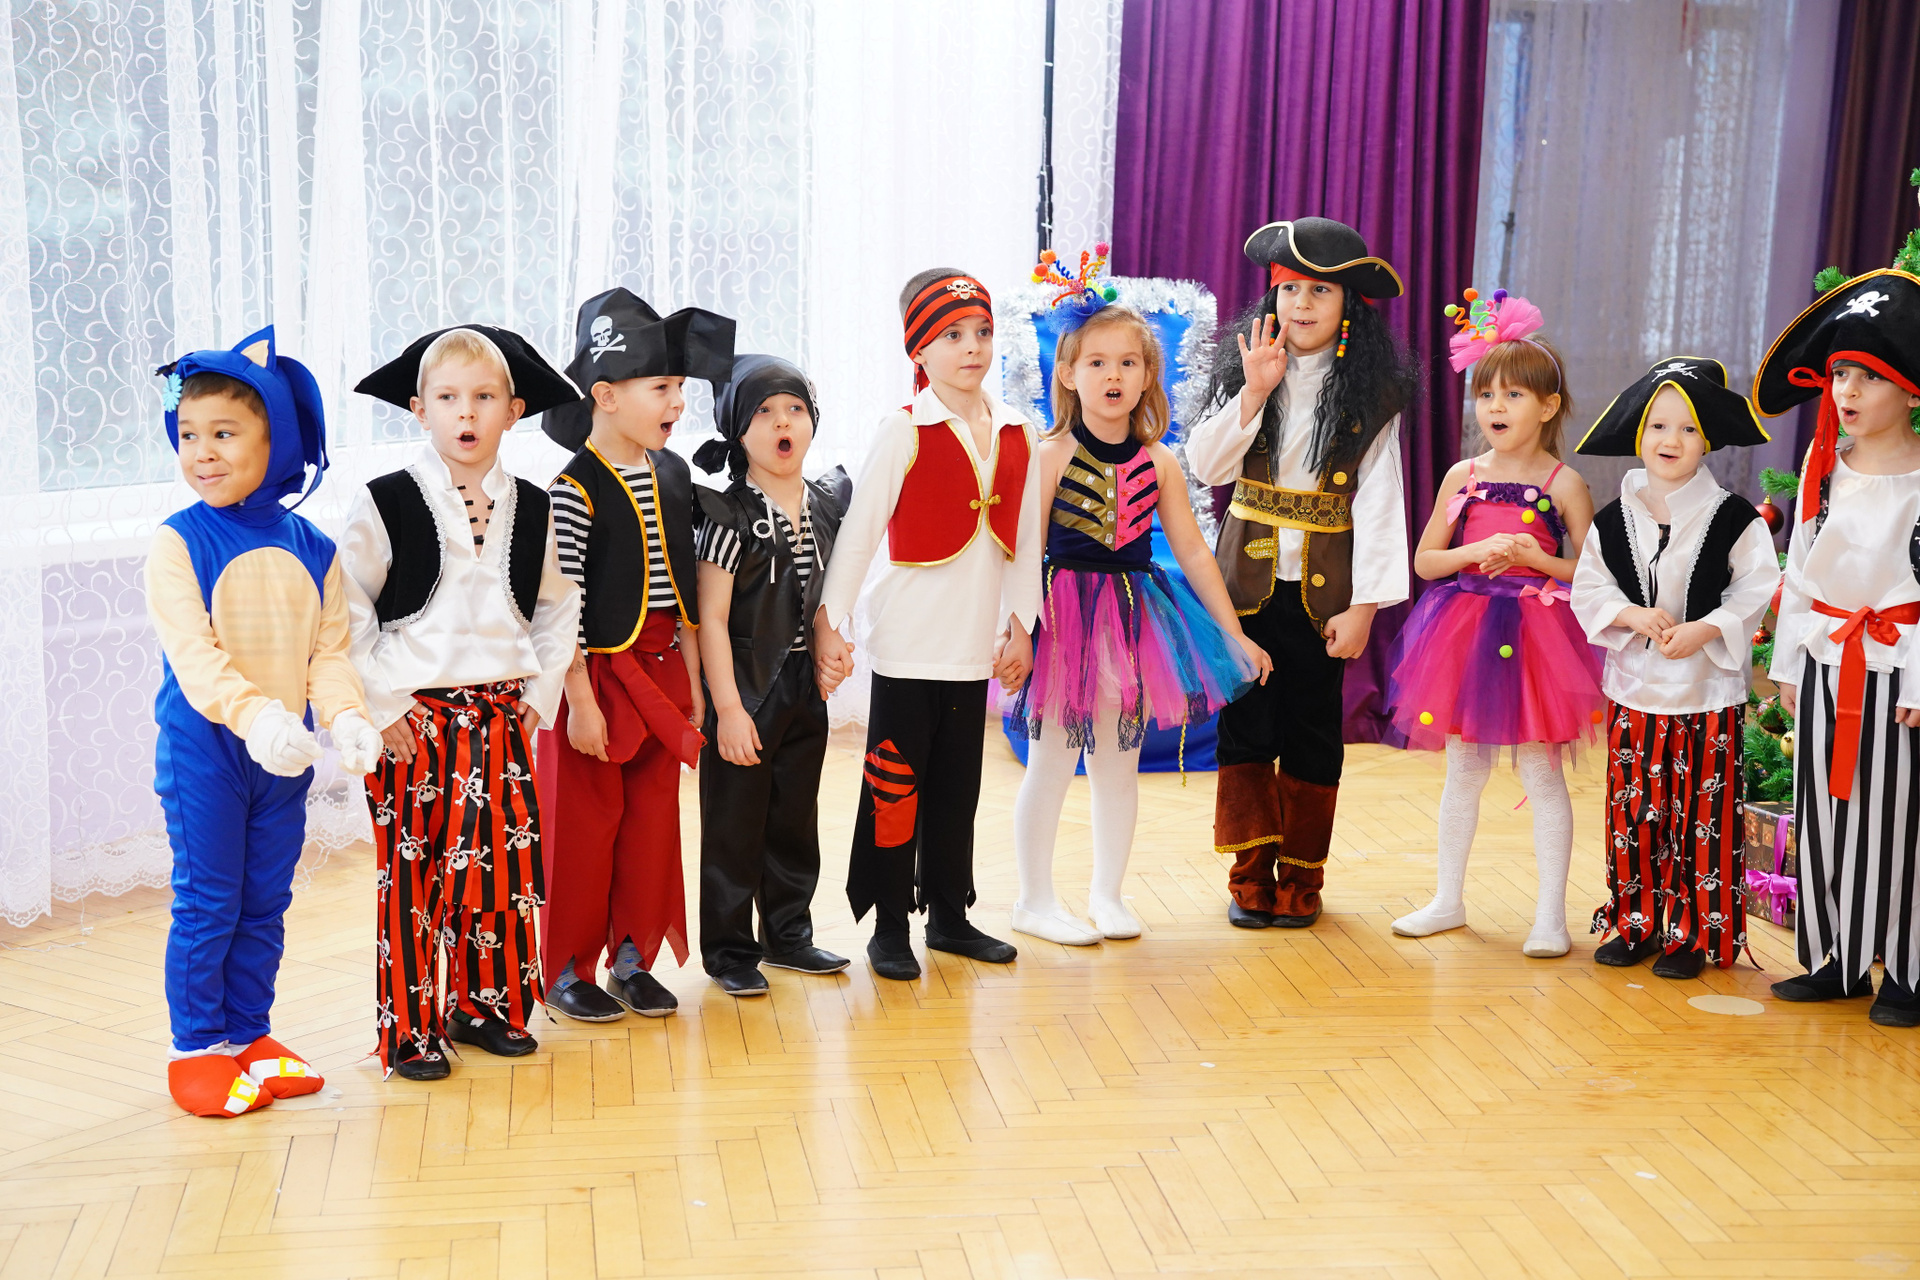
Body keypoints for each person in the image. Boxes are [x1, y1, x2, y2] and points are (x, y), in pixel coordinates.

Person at [146, 327, 384, 1117]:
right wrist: (256, 719)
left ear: (274, 440)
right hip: (209, 750)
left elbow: (328, 652)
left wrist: (346, 716)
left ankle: (248, 1033)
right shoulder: (178, 543)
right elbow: (196, 658)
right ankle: (196, 1047)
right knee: (210, 899)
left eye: (223, 434)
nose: (201, 453)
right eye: (188, 435)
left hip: (285, 757)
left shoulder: (315, 548)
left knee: (264, 899)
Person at [343, 325, 583, 1078]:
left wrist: (540, 694)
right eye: (448, 397)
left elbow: (558, 608)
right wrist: (382, 705)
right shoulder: (386, 501)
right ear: (421, 410)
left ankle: (486, 1007)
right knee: (417, 881)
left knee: (502, 877)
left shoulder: (535, 507)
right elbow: (346, 610)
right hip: (416, 720)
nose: (466, 412)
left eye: (483, 397)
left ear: (513, 410)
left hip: (501, 717)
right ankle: (411, 1030)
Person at [1007, 262, 1271, 945]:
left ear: (1149, 374)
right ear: (1068, 373)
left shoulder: (1160, 462)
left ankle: (1107, 895)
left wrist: (1234, 634)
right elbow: (1022, 553)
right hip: (1062, 617)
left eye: (1128, 362)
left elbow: (1194, 553)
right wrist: (1017, 632)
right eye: (1097, 362)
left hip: (1129, 617)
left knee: (1117, 763)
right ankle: (1034, 899)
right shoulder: (1050, 455)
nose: (1113, 375)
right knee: (1053, 759)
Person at [1186, 217, 1418, 929]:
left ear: (1348, 305)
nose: (1303, 304)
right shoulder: (1244, 375)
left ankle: (1302, 879)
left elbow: (1381, 503)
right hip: (1246, 591)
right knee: (1246, 729)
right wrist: (1254, 394)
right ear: (1272, 298)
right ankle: (1249, 876)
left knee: (1313, 734)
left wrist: (1367, 607)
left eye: (1321, 290)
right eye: (1290, 290)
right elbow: (1206, 467)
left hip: (1326, 598)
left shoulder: (1373, 397)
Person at [814, 268, 1044, 981]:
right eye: (951, 335)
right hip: (909, 640)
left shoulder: (1018, 430)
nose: (971, 347)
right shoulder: (903, 429)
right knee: (895, 785)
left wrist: (1022, 625)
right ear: (919, 349)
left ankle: (949, 915)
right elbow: (859, 533)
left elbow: (1025, 539)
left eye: (981, 332)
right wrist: (831, 623)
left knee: (956, 788)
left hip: (972, 644)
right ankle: (888, 924)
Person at [1386, 289, 1603, 958]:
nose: (1495, 407)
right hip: (1467, 628)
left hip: (1538, 637)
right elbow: (1426, 561)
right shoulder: (1464, 474)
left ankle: (1550, 917)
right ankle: (1447, 899)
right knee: (1464, 769)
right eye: (1485, 394)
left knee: (1541, 772)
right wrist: (1474, 551)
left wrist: (1537, 559)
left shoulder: (1564, 483)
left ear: (1548, 406)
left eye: (1512, 395)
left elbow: (1592, 573)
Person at [538, 288, 735, 1021]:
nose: (678, 402)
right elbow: (560, 610)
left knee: (651, 825)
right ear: (606, 395)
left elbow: (683, 597)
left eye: (680, 386)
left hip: (662, 673)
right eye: (662, 387)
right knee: (585, 828)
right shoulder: (572, 491)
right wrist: (580, 703)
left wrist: (695, 687)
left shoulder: (673, 475)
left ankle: (631, 958)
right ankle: (566, 969)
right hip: (594, 677)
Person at [1569, 356, 1778, 978]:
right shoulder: (1612, 519)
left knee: (1701, 820)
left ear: (1706, 440)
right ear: (1639, 434)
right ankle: (1635, 922)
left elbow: (1757, 586)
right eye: (1659, 426)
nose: (1672, 440)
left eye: (1688, 429)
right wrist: (1631, 615)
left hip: (1707, 693)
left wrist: (1707, 628)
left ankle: (1692, 934)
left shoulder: (1735, 517)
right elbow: (1590, 588)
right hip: (1634, 692)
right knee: (1634, 813)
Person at [1754, 268, 1920, 1026]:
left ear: (1911, 391)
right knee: (1825, 814)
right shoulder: (1825, 466)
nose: (1847, 391)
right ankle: (1838, 957)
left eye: (1869, 376)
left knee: (1897, 821)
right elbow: (1801, 573)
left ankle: (1908, 969)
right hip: (1828, 661)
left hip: (1896, 669)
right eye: (1841, 373)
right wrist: (1789, 664)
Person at [689, 355, 853, 994]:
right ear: (738, 430)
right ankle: (730, 952)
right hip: (746, 686)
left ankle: (789, 933)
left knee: (794, 816)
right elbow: (710, 616)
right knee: (734, 824)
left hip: (803, 687)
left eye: (794, 409)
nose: (783, 422)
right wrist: (727, 709)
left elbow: (825, 594)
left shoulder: (826, 503)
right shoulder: (727, 514)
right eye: (763, 412)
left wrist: (832, 642)